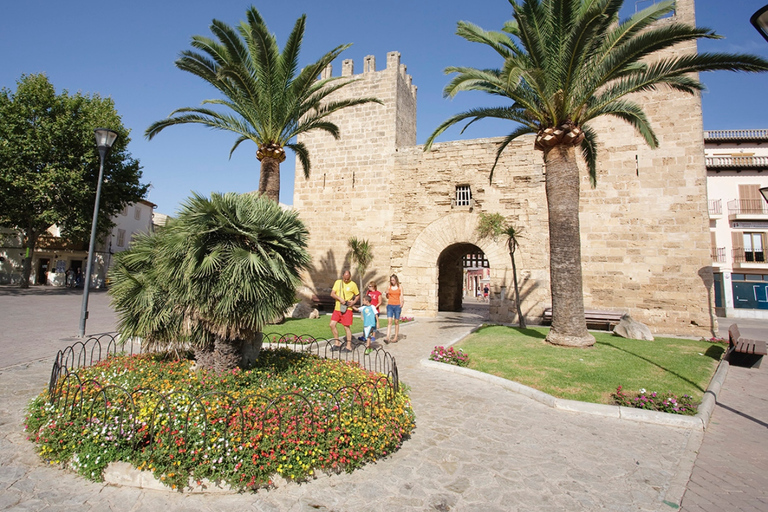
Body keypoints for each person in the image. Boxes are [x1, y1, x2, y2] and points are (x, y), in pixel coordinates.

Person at [329, 270, 359, 352]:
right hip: (337, 308)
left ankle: (349, 346)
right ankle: (337, 342)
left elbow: (357, 295)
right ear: (342, 276)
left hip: (347, 309)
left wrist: (354, 302)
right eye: (345, 278)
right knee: (332, 324)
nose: (346, 280)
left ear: (350, 277)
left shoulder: (353, 284)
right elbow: (332, 294)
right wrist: (340, 299)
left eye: (348, 279)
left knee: (346, 327)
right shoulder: (338, 282)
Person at [385, 274, 404, 343]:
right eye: (391, 280)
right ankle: (387, 337)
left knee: (396, 321)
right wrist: (386, 294)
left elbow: (401, 296)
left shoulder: (400, 287)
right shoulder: (389, 287)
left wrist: (402, 303)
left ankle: (395, 337)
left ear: (396, 280)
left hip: (397, 305)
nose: (392, 281)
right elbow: (387, 297)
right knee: (389, 321)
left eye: (393, 280)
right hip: (390, 305)